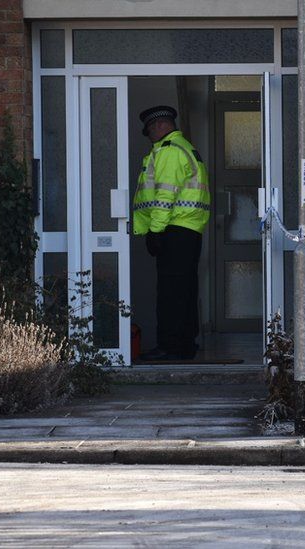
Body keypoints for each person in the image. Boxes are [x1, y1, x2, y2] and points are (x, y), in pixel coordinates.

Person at [132, 105, 210, 361]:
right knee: (184, 289)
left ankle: (170, 346)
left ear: (160, 126)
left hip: (173, 230)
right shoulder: (185, 149)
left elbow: (164, 196)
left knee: (170, 292)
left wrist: (155, 232)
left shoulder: (169, 152)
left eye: (149, 131)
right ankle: (185, 344)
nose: (149, 136)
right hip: (188, 230)